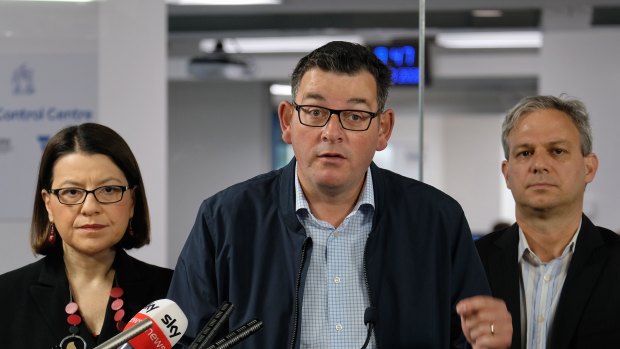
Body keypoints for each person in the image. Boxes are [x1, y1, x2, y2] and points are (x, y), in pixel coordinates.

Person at [168, 41, 511, 348]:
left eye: (355, 115)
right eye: (316, 112)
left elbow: (470, 339)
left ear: (383, 129)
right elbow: (186, 338)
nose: (332, 133)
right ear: (288, 122)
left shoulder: (436, 220)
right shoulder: (225, 220)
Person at [0, 123, 173, 348]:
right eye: (71, 192)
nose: (90, 207)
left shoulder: (171, 292)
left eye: (109, 190)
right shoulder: (5, 297)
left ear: (132, 201)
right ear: (48, 204)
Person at [475, 95, 620, 348]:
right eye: (525, 152)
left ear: (589, 168)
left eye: (557, 151)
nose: (539, 164)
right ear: (507, 173)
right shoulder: (470, 263)